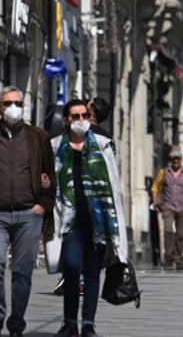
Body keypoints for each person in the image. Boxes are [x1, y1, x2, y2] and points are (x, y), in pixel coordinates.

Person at [50, 99, 128, 337]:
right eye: (76, 116)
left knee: (92, 274)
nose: (81, 120)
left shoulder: (103, 144)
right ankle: (69, 322)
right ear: (66, 120)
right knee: (73, 269)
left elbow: (113, 185)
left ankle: (88, 324)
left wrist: (115, 223)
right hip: (69, 220)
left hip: (98, 220)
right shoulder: (55, 146)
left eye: (85, 115)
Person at [0, 86, 56, 337]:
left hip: (28, 215)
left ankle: (16, 323)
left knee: (22, 272)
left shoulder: (38, 137)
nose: (13, 108)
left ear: (24, 107)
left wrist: (42, 205)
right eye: (7, 103)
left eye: (17, 104)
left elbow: (50, 177)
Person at [150, 146, 183, 270]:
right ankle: (169, 256)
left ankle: (179, 258)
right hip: (167, 205)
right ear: (170, 160)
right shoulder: (164, 172)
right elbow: (155, 187)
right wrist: (155, 202)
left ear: (181, 160)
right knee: (168, 230)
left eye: (178, 159)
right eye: (174, 159)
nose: (176, 161)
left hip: (182, 205)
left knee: (180, 234)